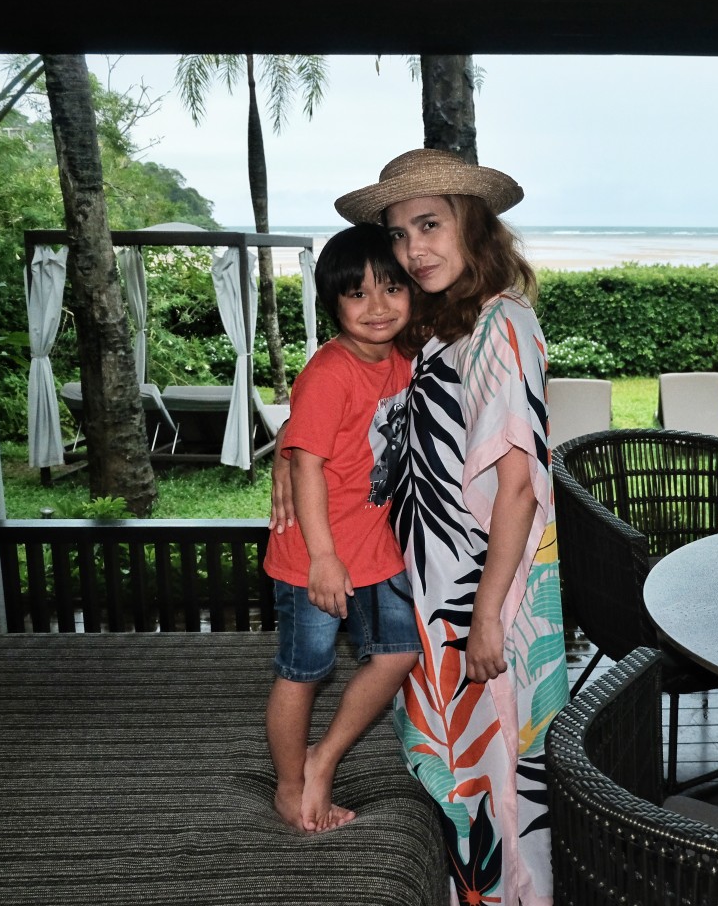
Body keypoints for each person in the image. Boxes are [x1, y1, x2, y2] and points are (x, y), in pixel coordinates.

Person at [275, 149, 566, 905]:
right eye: (400, 234)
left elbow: (518, 487)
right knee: (460, 774)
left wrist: (487, 616)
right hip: (433, 583)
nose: (413, 250)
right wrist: (288, 457)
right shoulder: (442, 321)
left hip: (482, 589)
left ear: (473, 225)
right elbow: (352, 403)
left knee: (500, 779)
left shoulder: (503, 324)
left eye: (430, 225)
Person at [262, 224, 421, 834]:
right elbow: (306, 463)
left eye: (391, 289)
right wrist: (323, 558)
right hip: (315, 554)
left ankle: (322, 758)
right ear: (334, 304)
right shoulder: (331, 371)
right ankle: (288, 786)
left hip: (375, 546)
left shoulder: (402, 359)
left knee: (399, 653)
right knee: (303, 671)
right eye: (358, 294)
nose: (378, 306)